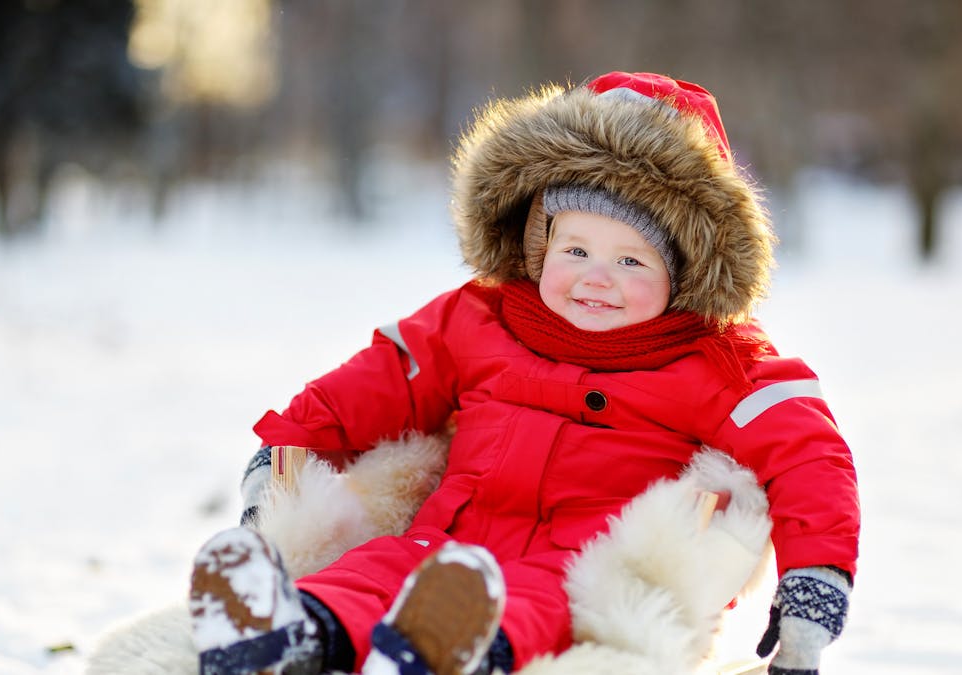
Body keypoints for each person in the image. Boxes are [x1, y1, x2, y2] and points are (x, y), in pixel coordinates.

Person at [189, 71, 860, 675]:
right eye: (576, 250)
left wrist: (813, 588)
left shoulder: (717, 361)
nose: (597, 278)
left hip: (579, 562)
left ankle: (448, 652)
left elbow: (808, 455)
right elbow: (381, 379)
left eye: (632, 261)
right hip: (447, 538)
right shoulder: (480, 318)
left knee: (534, 602)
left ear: (684, 273)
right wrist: (285, 450)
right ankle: (286, 632)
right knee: (371, 571)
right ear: (539, 247)